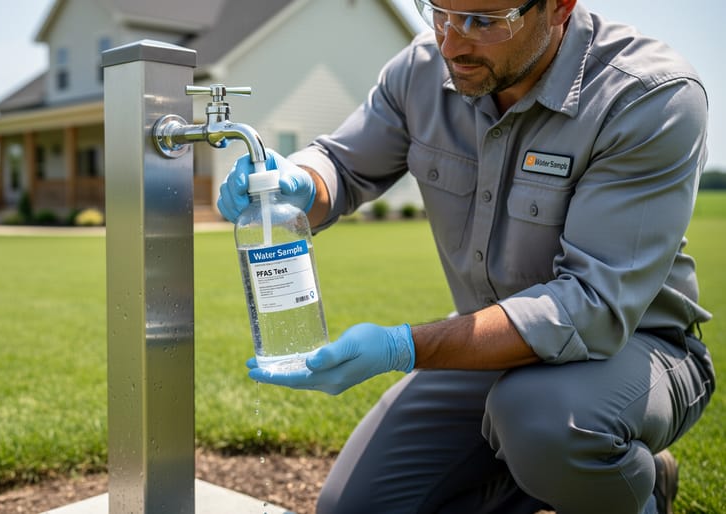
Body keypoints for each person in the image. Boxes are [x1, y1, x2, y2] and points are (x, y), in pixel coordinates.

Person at [217, 0, 716, 512]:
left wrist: (401, 347)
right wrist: (299, 181)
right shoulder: (422, 69)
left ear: (559, 7)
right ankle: (538, 483)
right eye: (440, 13)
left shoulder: (647, 96)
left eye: (484, 21)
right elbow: (342, 166)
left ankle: (639, 489)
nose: (452, 44)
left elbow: (591, 306)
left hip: (631, 349)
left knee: (541, 420)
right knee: (356, 508)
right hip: (487, 345)